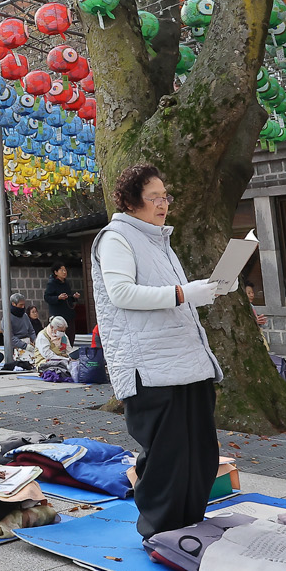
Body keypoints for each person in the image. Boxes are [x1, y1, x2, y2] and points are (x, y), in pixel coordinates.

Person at [92, 164, 224, 540]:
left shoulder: (159, 241)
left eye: (166, 196)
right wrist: (185, 293)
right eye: (154, 197)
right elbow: (122, 293)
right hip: (149, 366)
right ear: (131, 201)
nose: (163, 204)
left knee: (200, 452)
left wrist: (206, 289)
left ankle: (188, 523)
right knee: (168, 456)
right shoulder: (116, 237)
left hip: (186, 360)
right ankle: (160, 532)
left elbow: (169, 296)